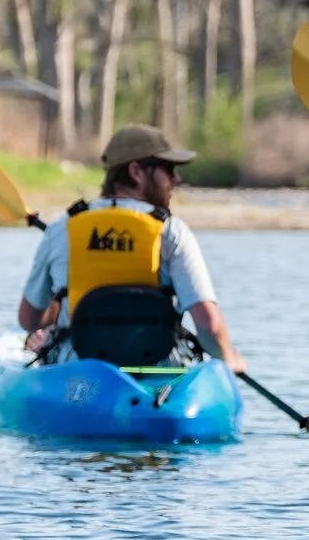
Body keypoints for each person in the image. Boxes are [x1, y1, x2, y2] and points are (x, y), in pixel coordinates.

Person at [16, 124, 247, 373]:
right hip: (157, 375)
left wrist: (62, 301)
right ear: (136, 171)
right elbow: (209, 326)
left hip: (78, 373)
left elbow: (29, 319)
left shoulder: (61, 229)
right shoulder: (171, 231)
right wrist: (229, 362)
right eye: (168, 169)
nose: (176, 179)